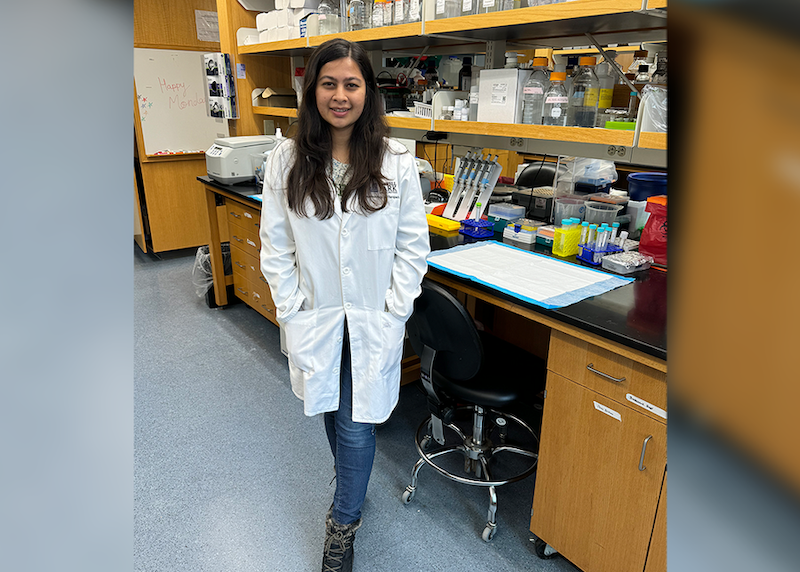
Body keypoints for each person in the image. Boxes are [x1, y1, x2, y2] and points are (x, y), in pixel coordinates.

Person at [258, 38, 430, 572]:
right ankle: (353, 490)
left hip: (373, 319)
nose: (339, 95)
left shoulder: (396, 161)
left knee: (356, 425)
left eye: (351, 84)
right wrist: (292, 310)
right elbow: (276, 248)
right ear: (311, 91)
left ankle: (342, 525)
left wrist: (393, 310)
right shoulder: (285, 160)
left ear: (368, 92)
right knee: (332, 410)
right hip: (317, 316)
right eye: (328, 83)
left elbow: (412, 246)